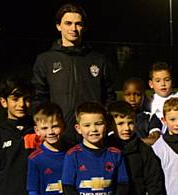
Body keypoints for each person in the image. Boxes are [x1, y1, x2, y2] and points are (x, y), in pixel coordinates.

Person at [31, 3, 116, 145]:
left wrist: (102, 122)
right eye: (68, 23)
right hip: (60, 135)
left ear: (84, 27)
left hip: (92, 134)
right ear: (58, 26)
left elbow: (109, 94)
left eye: (78, 24)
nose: (73, 28)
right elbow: (39, 97)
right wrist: (46, 127)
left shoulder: (98, 59)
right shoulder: (45, 59)